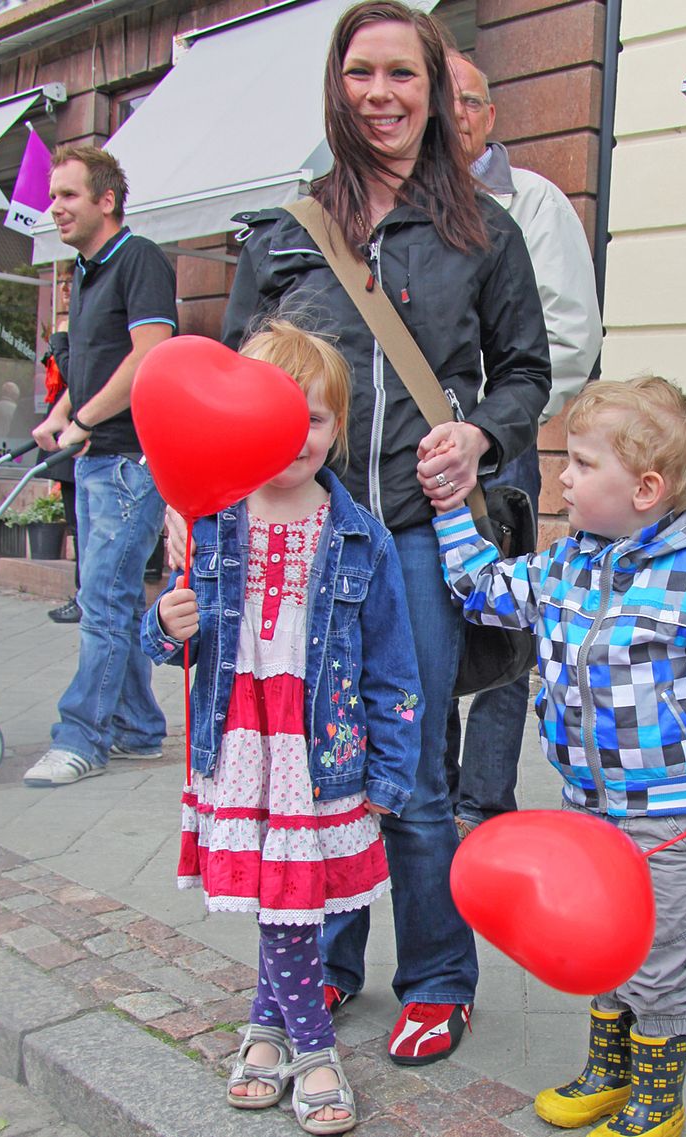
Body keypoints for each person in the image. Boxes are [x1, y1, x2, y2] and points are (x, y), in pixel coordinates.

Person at [188, 0, 550, 1066]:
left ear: (434, 94)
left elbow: (526, 371)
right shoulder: (286, 232)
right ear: (336, 89)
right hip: (304, 538)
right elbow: (229, 387)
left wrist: (480, 436)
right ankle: (326, 963)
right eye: (362, 75)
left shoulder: (483, 234)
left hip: (418, 539)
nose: (382, 95)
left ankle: (436, 977)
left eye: (403, 75)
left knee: (413, 774)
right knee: (316, 761)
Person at [431, 375, 686, 1137]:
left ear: (646, 488)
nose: (561, 475)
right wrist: (448, 513)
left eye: (581, 462)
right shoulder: (567, 564)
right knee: (599, 946)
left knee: (658, 957)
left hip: (666, 819)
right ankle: (610, 1072)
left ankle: (659, 1099)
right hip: (585, 810)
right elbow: (483, 591)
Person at [142, 320, 422, 1134]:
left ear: (340, 426)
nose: (299, 436)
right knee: (281, 901)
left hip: (317, 751)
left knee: (289, 899)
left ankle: (275, 1033)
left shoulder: (360, 534)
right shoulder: (211, 519)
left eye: (318, 418)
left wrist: (389, 774)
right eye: (279, 416)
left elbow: (394, 669)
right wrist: (170, 621)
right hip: (238, 742)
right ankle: (309, 1043)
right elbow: (159, 637)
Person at [444, 52, 604, 838]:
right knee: (432, 610)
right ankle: (432, 788)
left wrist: (504, 422)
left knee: (511, 616)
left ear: (491, 113)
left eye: (470, 99)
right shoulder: (392, 207)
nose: (457, 113)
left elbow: (572, 333)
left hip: (500, 446)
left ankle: (484, 798)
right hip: (418, 454)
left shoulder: (533, 201)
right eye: (445, 99)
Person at [23, 145, 177, 788]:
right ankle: (139, 728)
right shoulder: (84, 272)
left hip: (127, 461)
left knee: (104, 602)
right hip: (94, 457)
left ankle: (80, 736)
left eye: (67, 196)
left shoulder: (136, 258)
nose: (53, 207)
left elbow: (151, 354)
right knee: (107, 596)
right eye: (53, 196)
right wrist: (62, 412)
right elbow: (97, 360)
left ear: (106, 200)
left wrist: (84, 421)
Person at [40, 263, 82, 624]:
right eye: (63, 284)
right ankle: (81, 594)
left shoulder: (74, 328)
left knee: (83, 527)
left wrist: (61, 341)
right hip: (61, 432)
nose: (65, 289)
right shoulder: (67, 324)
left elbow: (76, 376)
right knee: (74, 522)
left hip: (79, 436)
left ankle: (84, 597)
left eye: (70, 283)